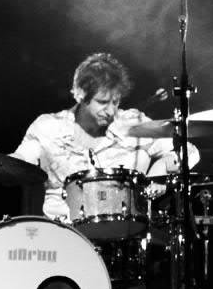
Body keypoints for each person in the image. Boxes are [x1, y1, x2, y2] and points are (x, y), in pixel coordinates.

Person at [10, 51, 198, 225]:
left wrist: (162, 170)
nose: (110, 111)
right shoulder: (48, 127)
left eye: (115, 102)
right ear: (80, 94)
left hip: (123, 232)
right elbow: (20, 162)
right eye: (102, 102)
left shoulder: (133, 123)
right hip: (60, 233)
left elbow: (190, 151)